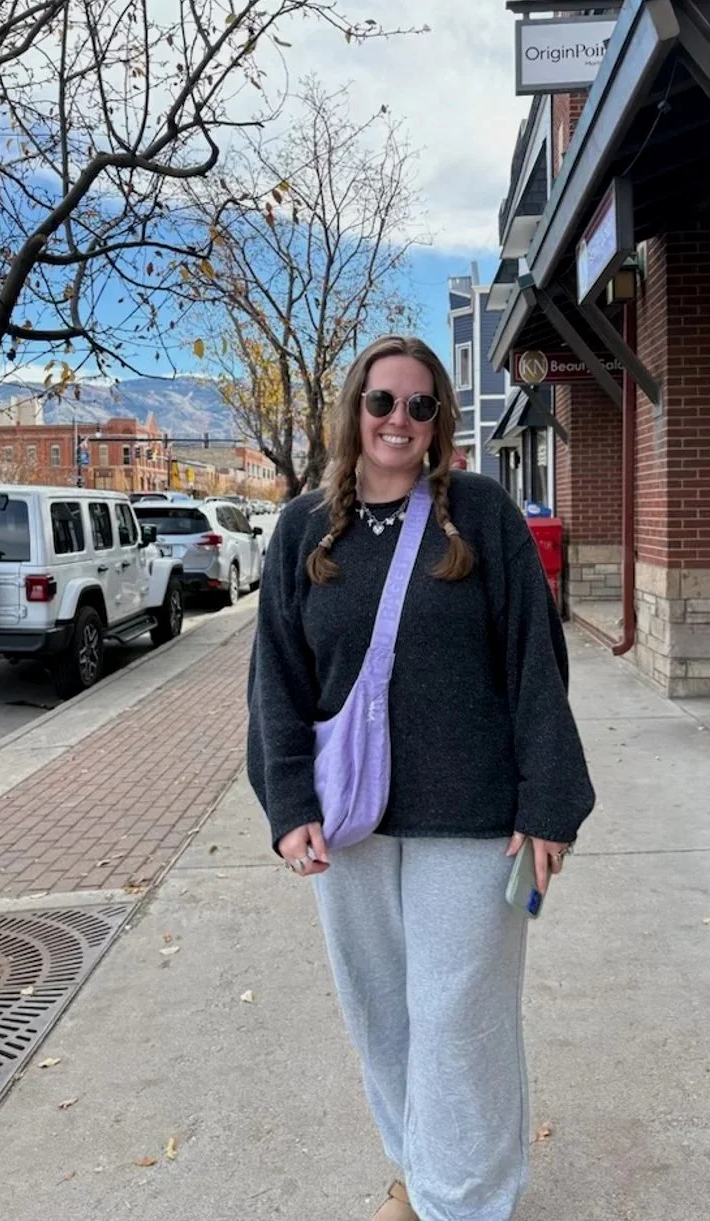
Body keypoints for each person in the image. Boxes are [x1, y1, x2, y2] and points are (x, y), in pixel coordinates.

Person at [247, 335, 594, 1221]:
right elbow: (277, 677)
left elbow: (534, 660)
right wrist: (288, 803)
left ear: (439, 419)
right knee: (382, 1013)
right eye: (381, 401)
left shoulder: (478, 513)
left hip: (473, 816)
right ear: (353, 413)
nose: (398, 420)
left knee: (459, 1017)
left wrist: (548, 800)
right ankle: (420, 1168)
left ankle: (464, 1203)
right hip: (351, 818)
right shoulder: (300, 529)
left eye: (419, 404)